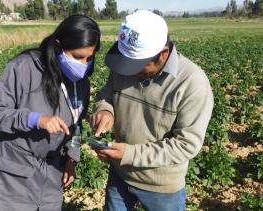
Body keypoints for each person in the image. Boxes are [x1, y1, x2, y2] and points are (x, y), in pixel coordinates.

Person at [90, 10, 214, 211]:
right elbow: (106, 94)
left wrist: (129, 154)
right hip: (120, 174)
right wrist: (105, 110)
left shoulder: (192, 83)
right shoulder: (124, 66)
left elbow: (186, 144)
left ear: (163, 54)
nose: (128, 71)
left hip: (161, 187)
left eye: (137, 66)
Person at [0, 15, 100, 211]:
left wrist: (72, 158)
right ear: (58, 44)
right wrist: (35, 119)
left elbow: (76, 125)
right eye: (78, 57)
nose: (84, 64)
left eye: (90, 57)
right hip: (12, 178)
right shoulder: (24, 68)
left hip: (51, 178)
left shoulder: (81, 83)